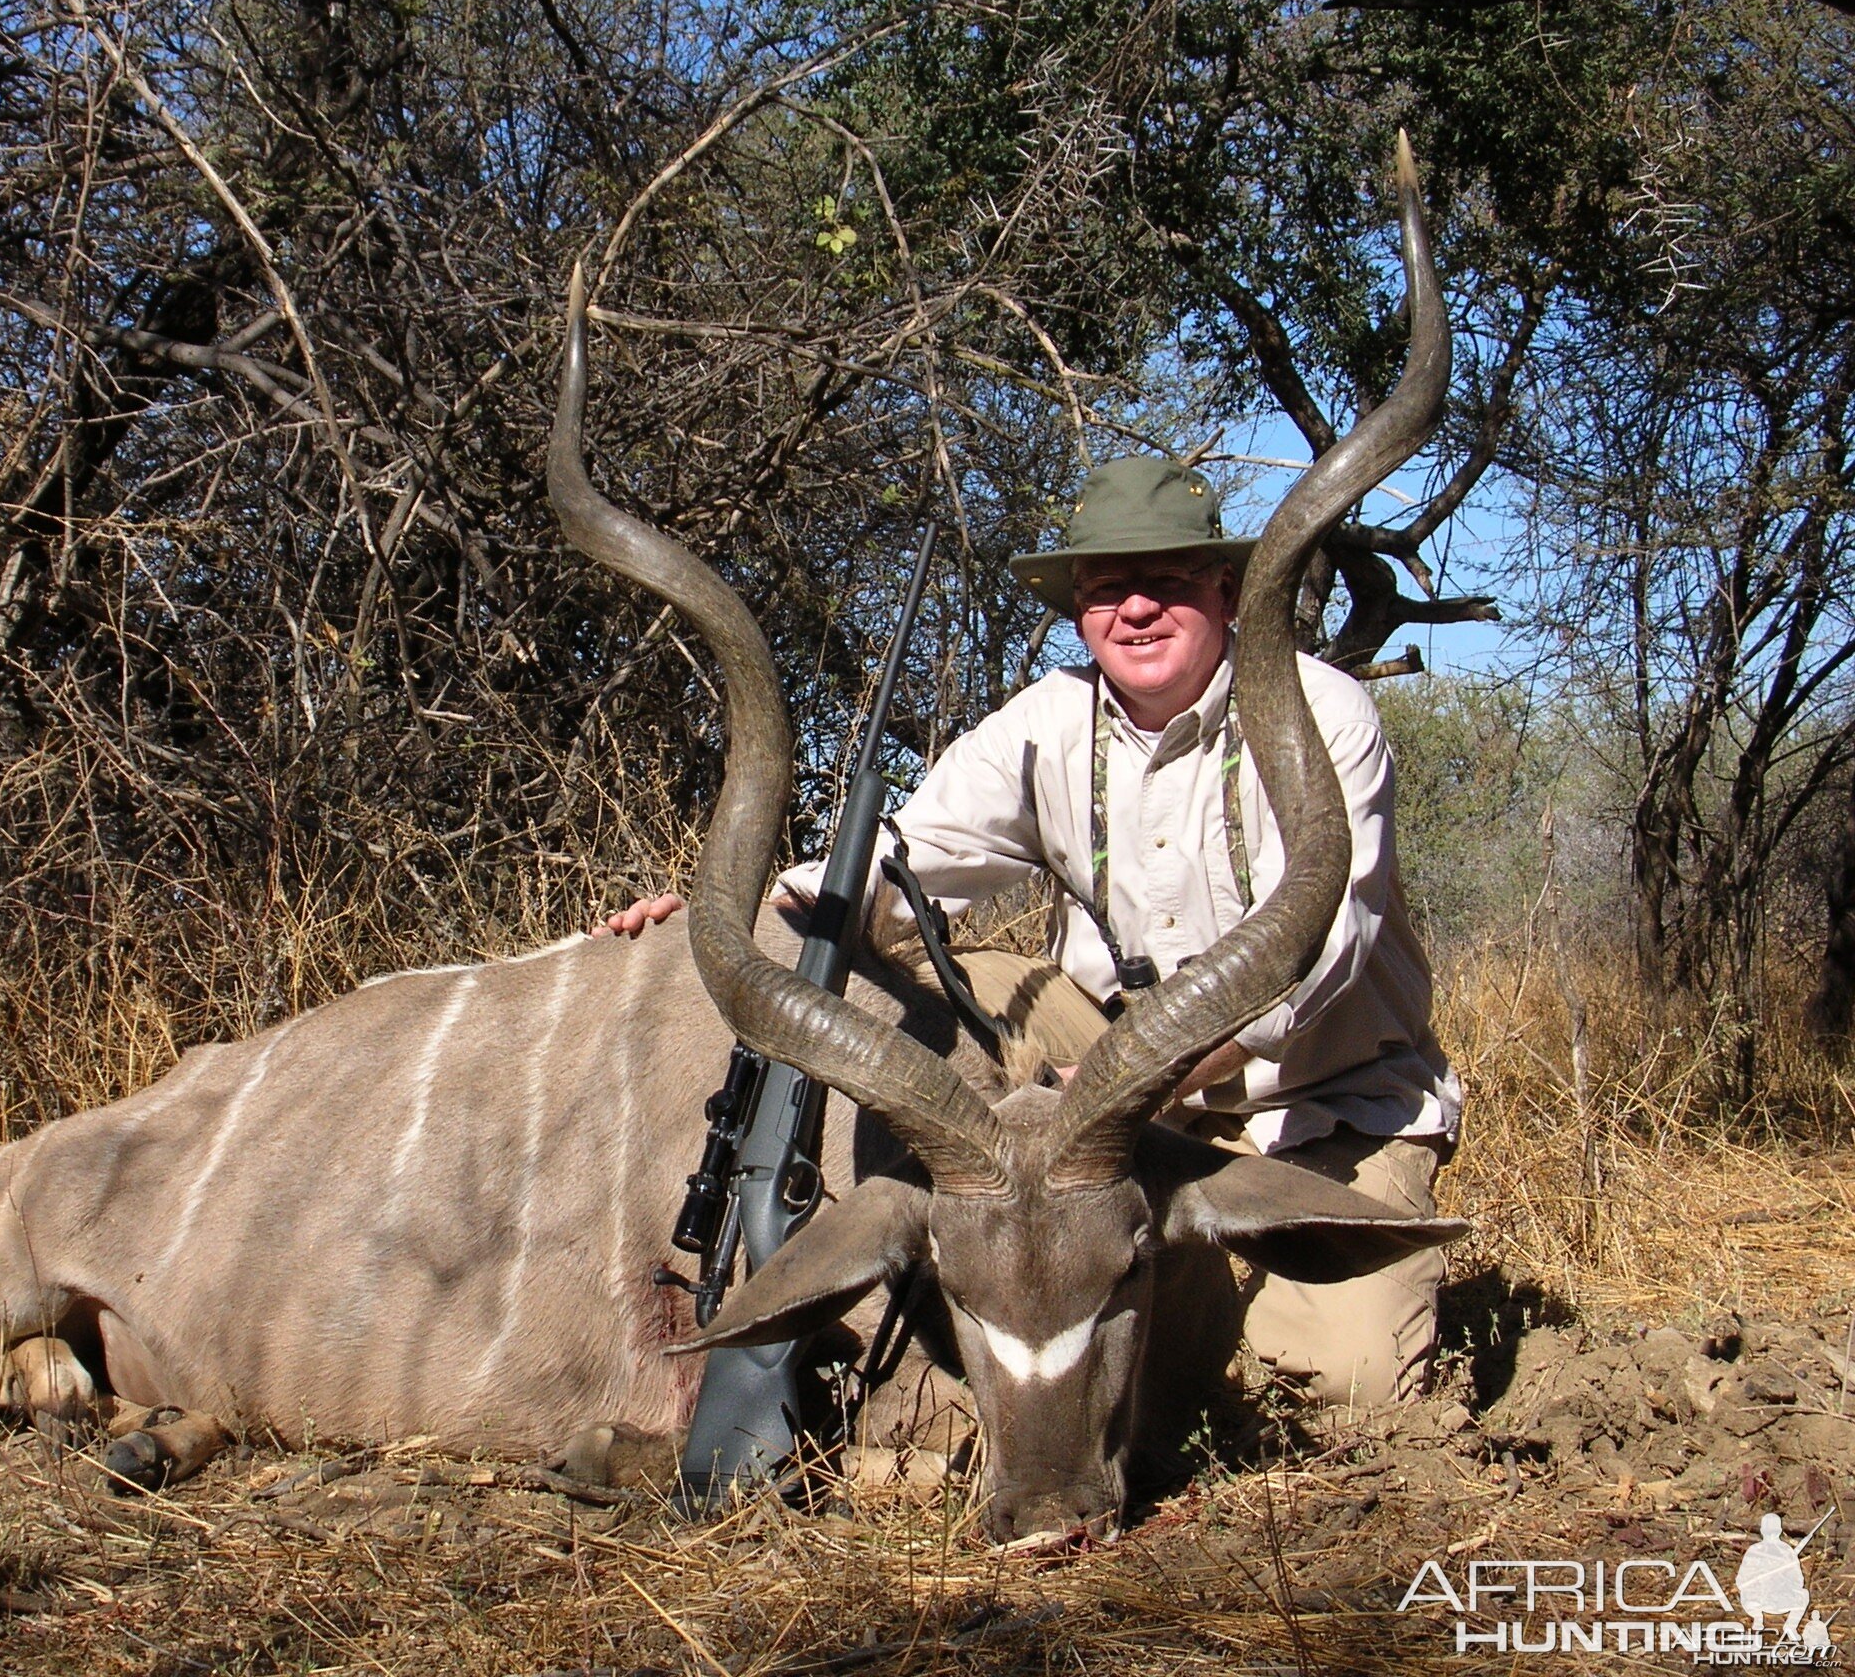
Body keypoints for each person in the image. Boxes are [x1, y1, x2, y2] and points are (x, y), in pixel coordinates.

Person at [598, 455, 1462, 1410]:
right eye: (1106, 591)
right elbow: (900, 862)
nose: (1134, 610)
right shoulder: (1049, 721)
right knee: (947, 983)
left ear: (1226, 589)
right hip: (1116, 1081)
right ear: (1080, 613)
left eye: (1167, 582)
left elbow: (1318, 962)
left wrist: (1126, 1081)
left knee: (1335, 1383)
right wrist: (735, 917)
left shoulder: (1322, 714)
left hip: (1323, 1103)